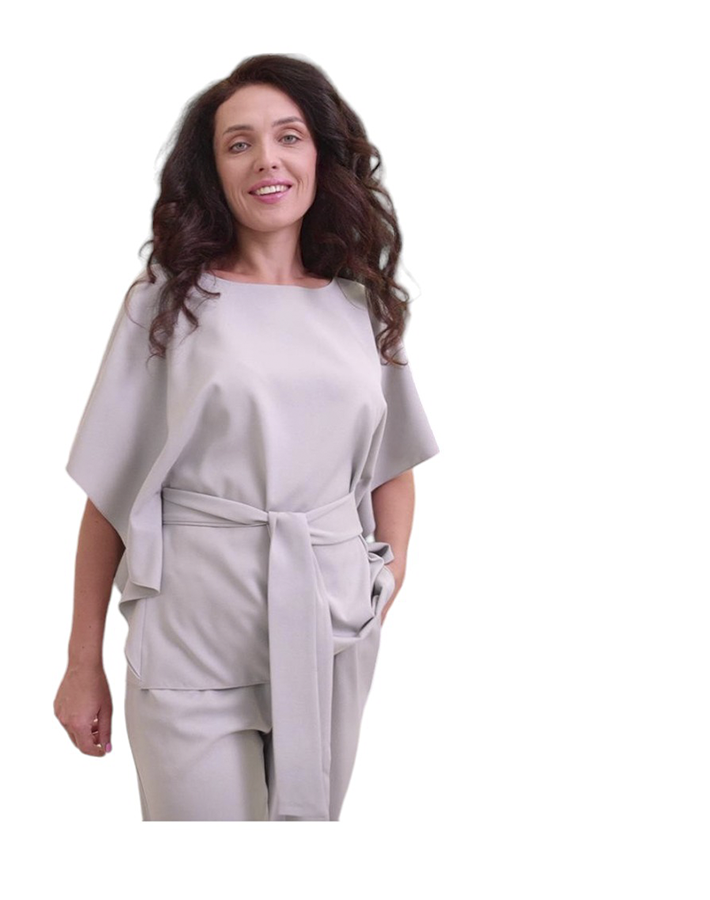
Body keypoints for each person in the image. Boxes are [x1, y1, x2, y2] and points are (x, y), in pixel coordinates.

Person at [53, 53, 439, 821]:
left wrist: (382, 589)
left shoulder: (361, 305)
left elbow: (393, 467)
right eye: (239, 143)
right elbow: (111, 491)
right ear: (215, 170)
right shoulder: (166, 305)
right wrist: (80, 662)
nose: (267, 158)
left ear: (319, 156)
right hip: (193, 631)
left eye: (288, 136)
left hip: (329, 628)